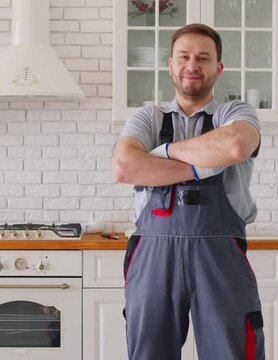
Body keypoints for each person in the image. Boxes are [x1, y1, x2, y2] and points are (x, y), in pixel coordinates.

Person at [112, 23, 265, 360]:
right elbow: (124, 167)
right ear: (171, 63)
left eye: (203, 58)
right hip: (154, 255)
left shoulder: (234, 113)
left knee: (232, 352)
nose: (192, 65)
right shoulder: (147, 117)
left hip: (220, 254)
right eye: (183, 56)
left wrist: (161, 154)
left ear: (218, 67)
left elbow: (236, 144)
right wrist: (203, 163)